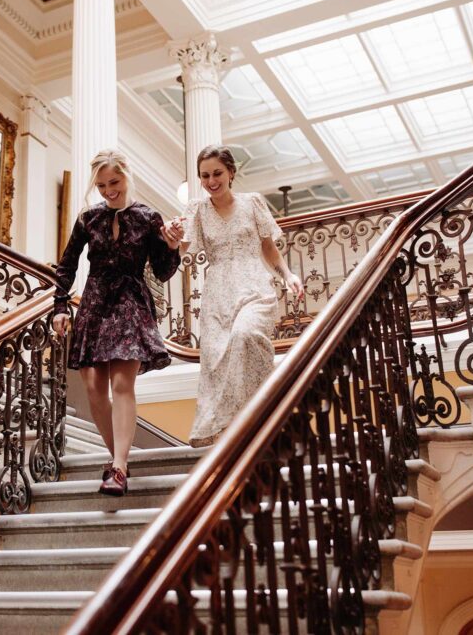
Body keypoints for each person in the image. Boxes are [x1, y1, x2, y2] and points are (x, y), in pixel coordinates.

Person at [52, 149, 184, 496]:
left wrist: (171, 245)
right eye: (101, 185)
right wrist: (60, 305)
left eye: (114, 182)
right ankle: (117, 460)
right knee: (94, 390)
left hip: (130, 302)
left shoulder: (147, 217)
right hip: (95, 302)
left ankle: (119, 468)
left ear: (127, 176)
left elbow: (162, 270)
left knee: (122, 385)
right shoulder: (88, 219)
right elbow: (66, 265)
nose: (109, 190)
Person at [181, 145, 304, 447]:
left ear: (231, 172)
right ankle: (230, 432)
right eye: (205, 175)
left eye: (217, 173)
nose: (211, 181)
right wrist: (169, 240)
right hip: (217, 295)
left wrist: (287, 275)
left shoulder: (253, 203)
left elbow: (268, 247)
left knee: (245, 335)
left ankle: (262, 416)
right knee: (216, 359)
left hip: (254, 286)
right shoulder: (197, 211)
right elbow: (183, 251)